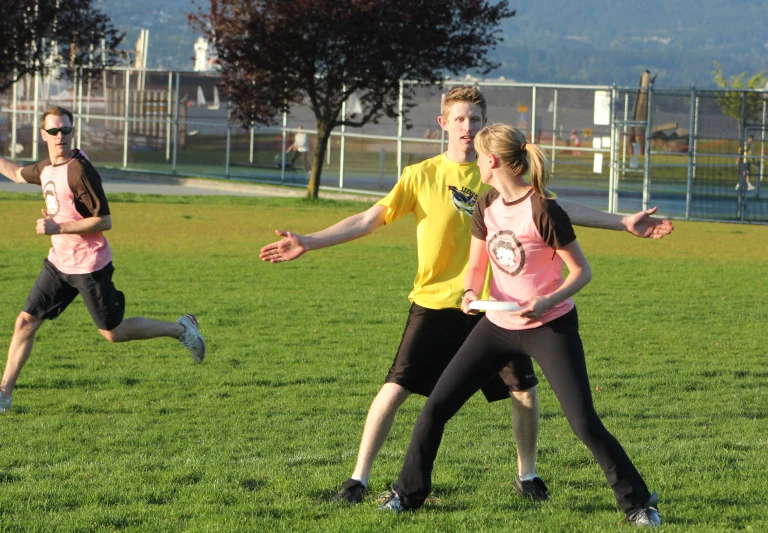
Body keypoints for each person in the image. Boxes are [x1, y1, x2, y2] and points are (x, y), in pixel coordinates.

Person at [259, 86, 673, 506]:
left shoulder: (495, 172)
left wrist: (621, 221)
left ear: (486, 132)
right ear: (444, 124)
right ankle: (359, 481)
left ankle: (527, 477)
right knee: (399, 388)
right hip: (437, 304)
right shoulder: (421, 175)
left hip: (498, 307)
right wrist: (309, 241)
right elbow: (369, 219)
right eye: (459, 119)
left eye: (475, 119)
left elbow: (551, 210)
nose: (468, 126)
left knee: (524, 390)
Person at [379, 124, 661, 528]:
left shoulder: (543, 208)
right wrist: (470, 292)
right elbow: (476, 266)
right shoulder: (486, 204)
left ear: (491, 162)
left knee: (582, 421)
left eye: (479, 156)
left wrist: (545, 301)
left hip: (550, 325)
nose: (476, 162)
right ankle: (407, 495)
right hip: (497, 324)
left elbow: (581, 271)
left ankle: (638, 503)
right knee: (436, 408)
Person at [0, 106, 206, 413]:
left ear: (72, 132)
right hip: (59, 263)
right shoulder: (47, 168)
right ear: (43, 134)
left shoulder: (80, 171)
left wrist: (60, 226)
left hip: (89, 265)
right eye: (54, 131)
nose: (60, 137)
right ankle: (4, 394)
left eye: (66, 130)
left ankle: (181, 329)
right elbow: (16, 174)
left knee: (112, 333)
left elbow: (105, 220)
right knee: (25, 321)